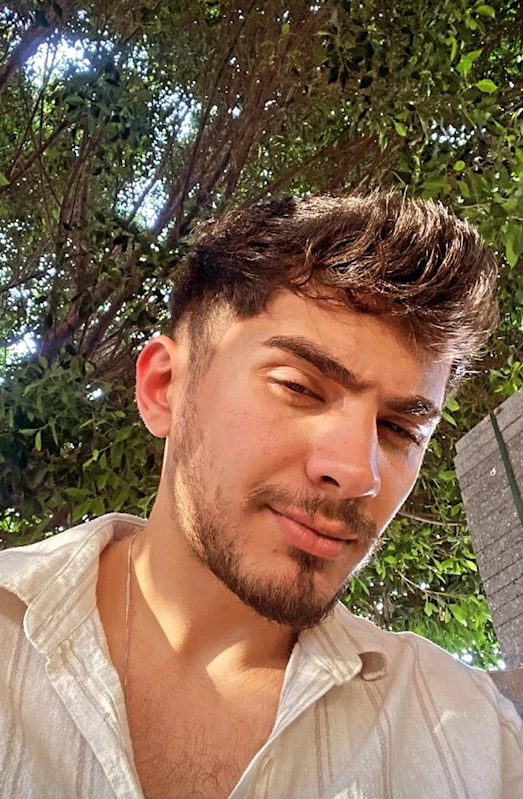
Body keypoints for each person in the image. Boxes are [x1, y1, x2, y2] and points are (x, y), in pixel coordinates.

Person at [0, 192, 521, 799]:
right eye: (299, 387)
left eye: (399, 429)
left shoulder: (475, 740)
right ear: (165, 388)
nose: (358, 472)